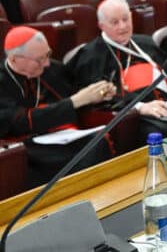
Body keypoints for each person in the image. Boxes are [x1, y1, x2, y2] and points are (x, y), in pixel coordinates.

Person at [67, 0, 167, 140]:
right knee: (159, 133)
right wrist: (140, 107)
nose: (123, 26)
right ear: (101, 25)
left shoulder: (144, 42)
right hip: (136, 116)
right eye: (115, 22)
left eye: (126, 19)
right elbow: (103, 99)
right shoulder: (91, 56)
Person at [0, 27, 114, 188]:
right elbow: (16, 122)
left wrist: (98, 95)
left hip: (62, 136)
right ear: (14, 59)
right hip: (26, 148)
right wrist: (74, 101)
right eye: (39, 59)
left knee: (98, 141)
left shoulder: (54, 69)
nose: (46, 63)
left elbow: (78, 98)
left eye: (48, 54)